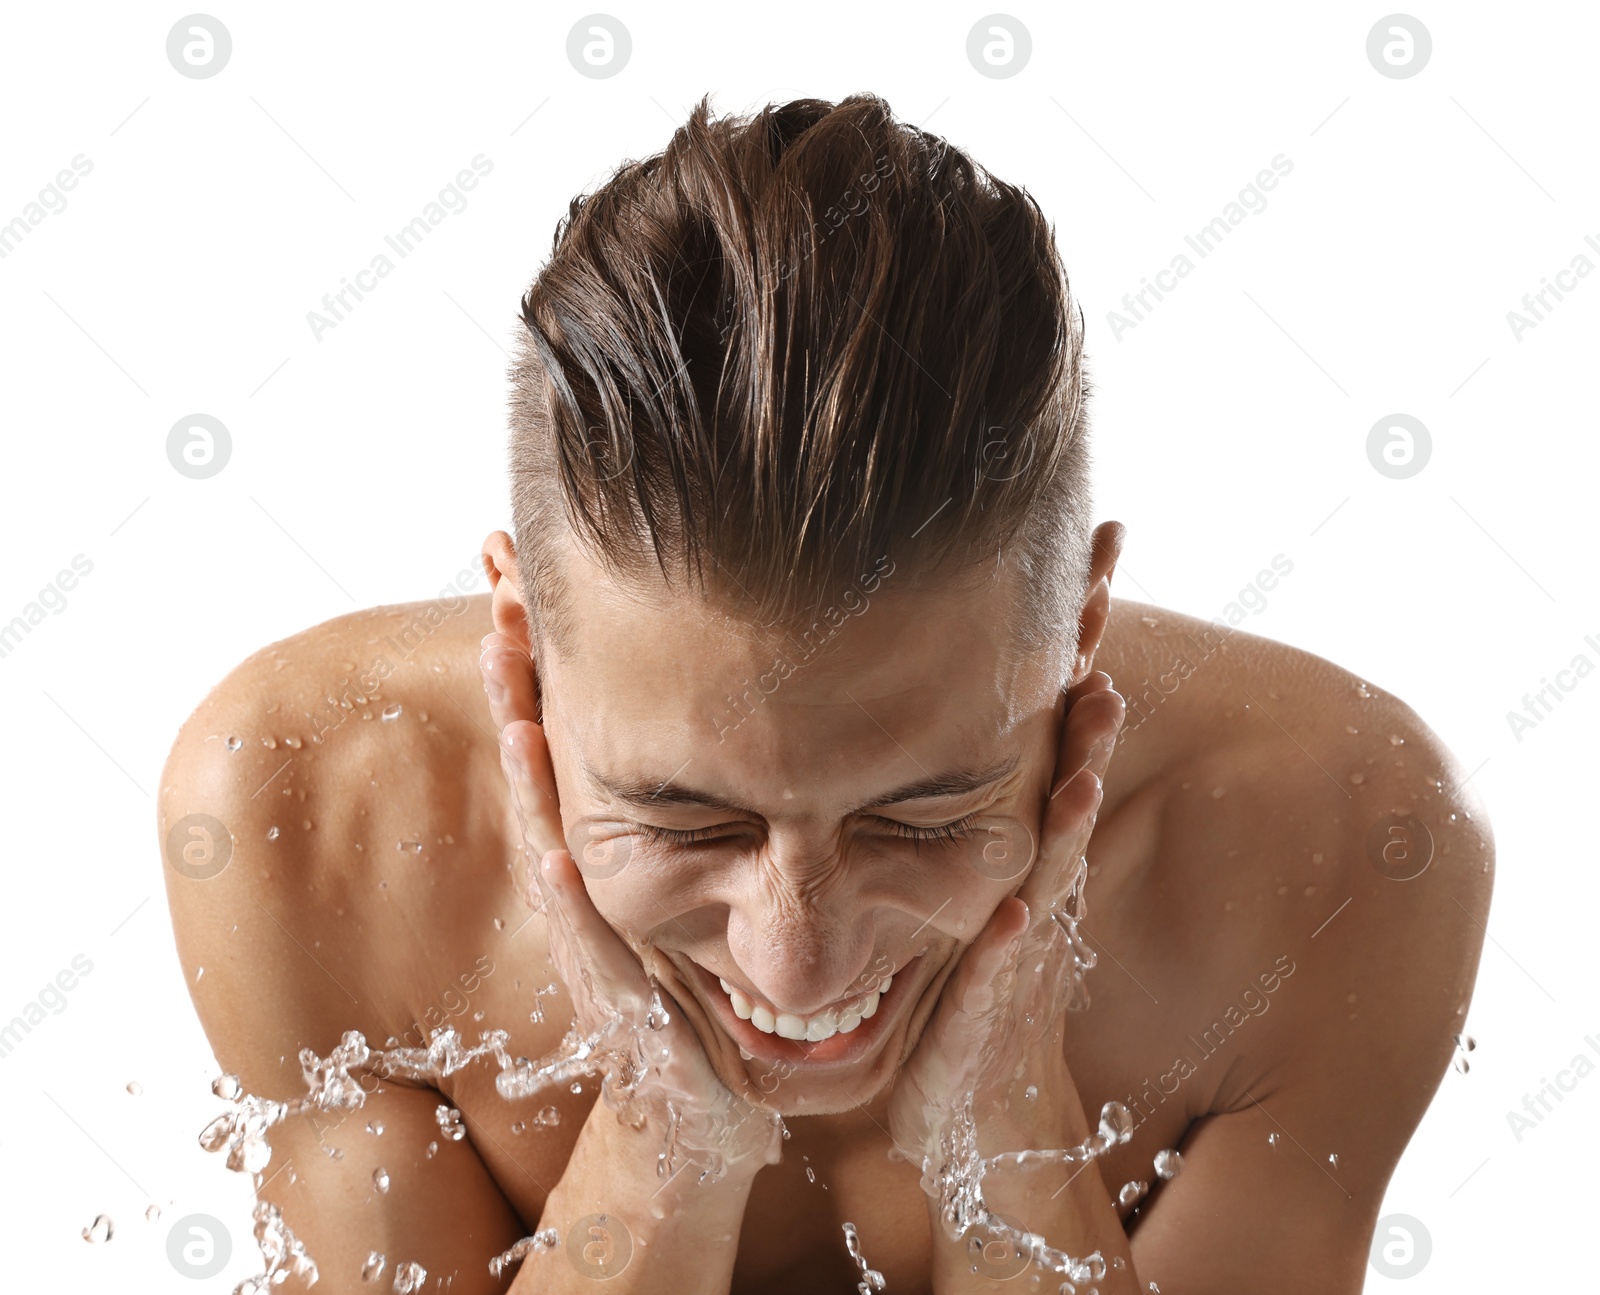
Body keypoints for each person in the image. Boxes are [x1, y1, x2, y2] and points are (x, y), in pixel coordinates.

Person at [160, 95, 1493, 1294]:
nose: (797, 961)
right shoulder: (303, 823)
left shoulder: (1340, 852)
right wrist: (662, 1145)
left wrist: (1010, 1123)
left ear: (1079, 631)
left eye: (918, 817)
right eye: (686, 821)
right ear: (521, 644)